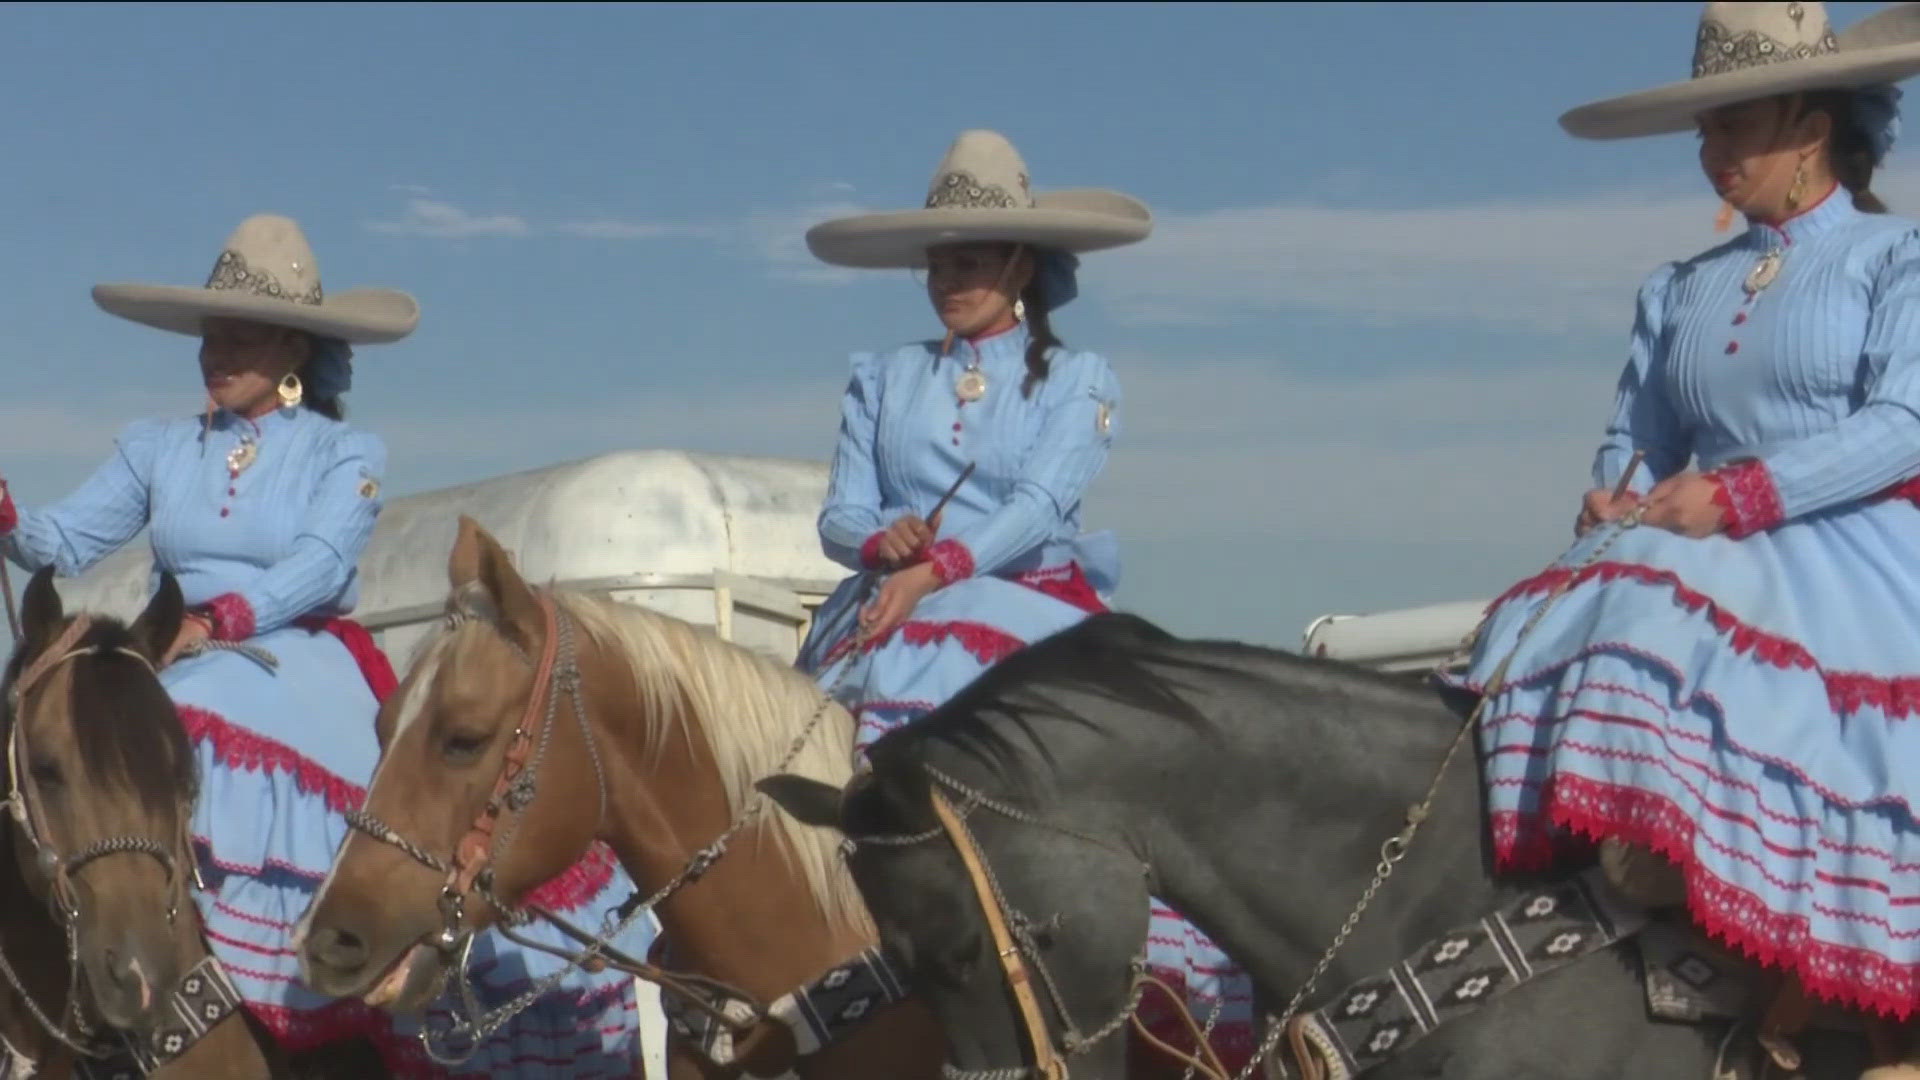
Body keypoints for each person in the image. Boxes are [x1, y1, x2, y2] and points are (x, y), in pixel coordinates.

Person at [0, 214, 652, 1076]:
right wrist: (14, 518)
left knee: (191, 721)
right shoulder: (154, 448)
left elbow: (319, 563)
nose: (218, 351)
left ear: (295, 349)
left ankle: (338, 976)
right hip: (179, 650)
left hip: (293, 651)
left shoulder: (344, 452)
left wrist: (223, 620)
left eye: (244, 336)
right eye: (212, 334)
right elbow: (66, 541)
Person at [1442, 3, 1920, 1075]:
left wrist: (1746, 496)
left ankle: (1864, 1017)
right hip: (1696, 546)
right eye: (1704, 131)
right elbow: (1636, 438)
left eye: (1733, 126)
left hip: (1856, 557)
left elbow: (1907, 424)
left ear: (1811, 124)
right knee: (1568, 610)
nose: (1710, 153)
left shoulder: (1897, 259)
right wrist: (1614, 498)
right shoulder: (1680, 287)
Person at [793, 129, 1258, 1070]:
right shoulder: (881, 377)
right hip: (883, 608)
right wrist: (882, 543)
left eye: (969, 260)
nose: (948, 278)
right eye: (938, 263)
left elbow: (1042, 503)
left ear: (1019, 266)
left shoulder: (1079, 381)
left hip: (1023, 600)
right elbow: (839, 512)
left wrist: (946, 564)